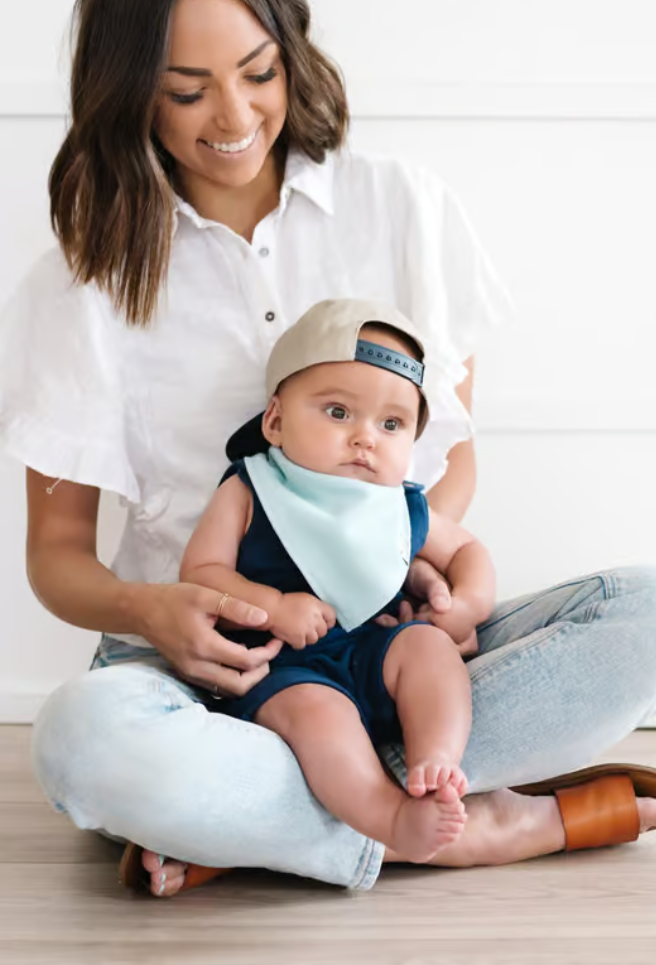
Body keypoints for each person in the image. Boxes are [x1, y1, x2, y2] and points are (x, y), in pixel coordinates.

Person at [0, 0, 656, 898]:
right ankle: (465, 827)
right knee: (83, 747)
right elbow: (57, 561)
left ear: (292, 55)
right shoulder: (83, 283)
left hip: (393, 645)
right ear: (129, 93)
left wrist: (437, 572)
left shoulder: (405, 207)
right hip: (203, 674)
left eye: (258, 73)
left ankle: (261, 823)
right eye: (187, 91)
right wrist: (156, 609)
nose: (233, 119)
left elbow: (455, 451)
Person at [183, 298, 498, 863]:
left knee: (427, 648)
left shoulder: (397, 507)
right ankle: (389, 815)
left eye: (392, 424)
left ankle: (436, 761)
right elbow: (200, 576)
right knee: (319, 717)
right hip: (286, 668)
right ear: (275, 421)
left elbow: (468, 550)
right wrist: (272, 605)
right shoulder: (252, 487)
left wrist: (466, 607)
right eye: (337, 412)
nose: (365, 438)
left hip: (376, 651)